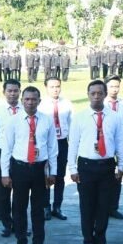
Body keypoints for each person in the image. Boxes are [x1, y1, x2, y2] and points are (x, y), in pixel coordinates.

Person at [68, 80, 123, 244]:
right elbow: (74, 144)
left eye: (99, 93)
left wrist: (121, 165)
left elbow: (119, 143)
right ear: (88, 95)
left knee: (103, 206)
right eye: (92, 93)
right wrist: (72, 168)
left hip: (107, 166)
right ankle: (88, 242)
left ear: (105, 94)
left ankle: (100, 240)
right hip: (86, 166)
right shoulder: (80, 116)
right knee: (87, 206)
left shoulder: (115, 117)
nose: (96, 96)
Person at [0, 86, 57, 244]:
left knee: (39, 208)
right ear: (22, 100)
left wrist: (53, 172)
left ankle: (38, 243)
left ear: (39, 101)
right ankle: (21, 243)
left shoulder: (47, 120)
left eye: (34, 99)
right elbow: (6, 149)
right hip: (20, 168)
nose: (30, 102)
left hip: (40, 169)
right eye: (27, 99)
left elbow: (52, 148)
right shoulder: (14, 121)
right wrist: (5, 173)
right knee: (19, 207)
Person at [0, 79, 22, 238]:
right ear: (4, 92)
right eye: (10, 91)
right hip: (3, 154)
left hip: (21, 155)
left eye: (16, 91)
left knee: (20, 192)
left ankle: (20, 223)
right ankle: (7, 224)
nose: (13, 94)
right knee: (4, 192)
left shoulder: (26, 109)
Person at [38, 77, 72, 221]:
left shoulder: (67, 104)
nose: (55, 89)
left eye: (57, 86)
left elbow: (72, 124)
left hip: (62, 142)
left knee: (59, 176)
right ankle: (45, 206)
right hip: (46, 144)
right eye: (51, 87)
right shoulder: (40, 105)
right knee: (45, 176)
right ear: (46, 88)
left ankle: (57, 206)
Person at [104, 76, 123, 220]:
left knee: (118, 177)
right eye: (111, 86)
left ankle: (113, 207)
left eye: (117, 86)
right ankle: (101, 207)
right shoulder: (101, 103)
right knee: (104, 178)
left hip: (121, 144)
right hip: (105, 145)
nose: (114, 89)